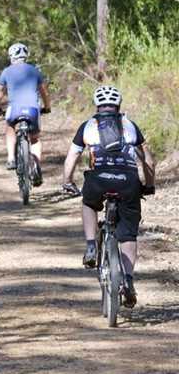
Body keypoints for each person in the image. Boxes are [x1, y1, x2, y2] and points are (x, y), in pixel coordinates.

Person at [61, 85, 156, 308]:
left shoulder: (88, 126)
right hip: (128, 182)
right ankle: (129, 281)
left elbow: (72, 157)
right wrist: (149, 185)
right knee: (128, 236)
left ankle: (91, 245)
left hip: (98, 179)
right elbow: (149, 162)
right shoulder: (130, 125)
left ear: (97, 106)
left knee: (89, 203)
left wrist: (67, 181)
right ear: (119, 106)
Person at [0, 43, 51, 185]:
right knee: (35, 139)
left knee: (10, 127)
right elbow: (44, 92)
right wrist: (47, 107)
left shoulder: (6, 72)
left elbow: (0, 93)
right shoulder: (34, 70)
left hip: (14, 109)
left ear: (11, 57)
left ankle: (11, 158)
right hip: (33, 109)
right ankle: (35, 166)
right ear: (26, 55)